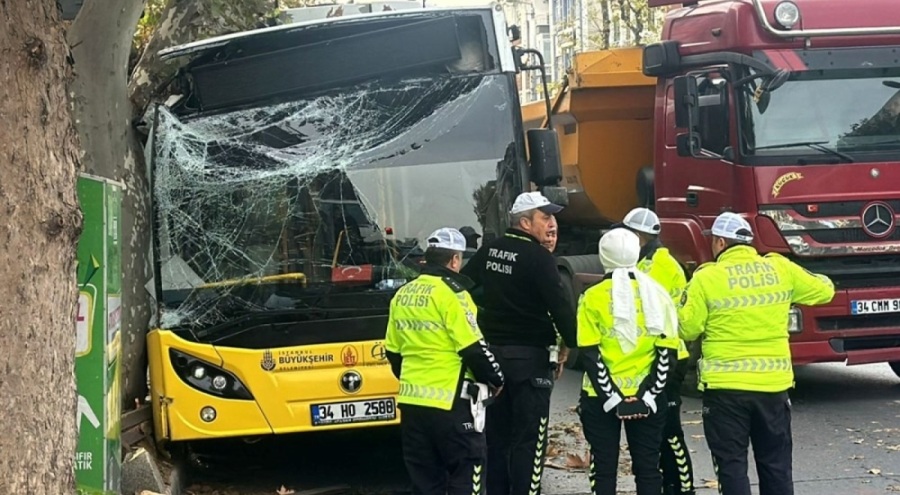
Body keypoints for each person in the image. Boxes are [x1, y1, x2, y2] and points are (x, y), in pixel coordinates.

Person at [679, 212, 835, 495]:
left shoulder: (707, 278)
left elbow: (688, 329)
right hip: (772, 388)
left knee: (732, 467)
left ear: (720, 243)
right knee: (776, 466)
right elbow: (825, 291)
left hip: (726, 391)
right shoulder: (779, 269)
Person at [461, 191, 578, 495]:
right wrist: (570, 343)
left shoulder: (490, 250)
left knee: (497, 438)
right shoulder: (540, 257)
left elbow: (463, 288)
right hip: (530, 363)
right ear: (525, 223)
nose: (551, 223)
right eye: (545, 217)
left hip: (493, 362)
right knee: (529, 441)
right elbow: (560, 306)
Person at [384, 227, 506, 495]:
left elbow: (393, 352)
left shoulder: (402, 295)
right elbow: (474, 348)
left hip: (413, 404)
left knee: (426, 482)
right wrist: (496, 379)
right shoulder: (454, 295)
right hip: (452, 404)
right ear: (454, 260)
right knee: (468, 472)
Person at [576, 228, 680, 495]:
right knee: (648, 469)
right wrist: (647, 397)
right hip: (649, 397)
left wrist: (613, 399)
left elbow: (589, 354)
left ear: (603, 256)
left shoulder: (592, 297)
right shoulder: (659, 294)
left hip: (600, 399)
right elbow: (667, 354)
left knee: (604, 469)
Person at [620, 207, 695, 495]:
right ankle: (670, 486)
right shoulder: (653, 261)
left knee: (670, 431)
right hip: (662, 355)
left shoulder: (657, 266)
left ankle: (682, 488)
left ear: (638, 236)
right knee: (659, 433)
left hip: (668, 357)